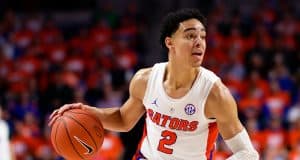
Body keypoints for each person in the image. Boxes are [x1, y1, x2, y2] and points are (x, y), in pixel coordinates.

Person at [49, 8, 259, 160]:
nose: (199, 42)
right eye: (190, 36)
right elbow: (124, 119)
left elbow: (247, 153)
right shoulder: (145, 80)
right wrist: (88, 112)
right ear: (170, 43)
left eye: (202, 37)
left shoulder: (215, 93)